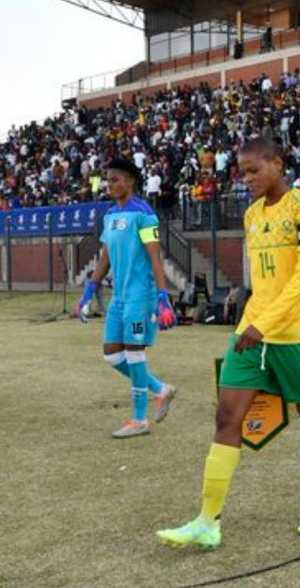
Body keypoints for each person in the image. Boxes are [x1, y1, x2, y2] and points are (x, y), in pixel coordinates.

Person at [157, 138, 300, 549]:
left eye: (254, 170)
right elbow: (262, 280)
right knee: (226, 417)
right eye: (242, 172)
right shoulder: (252, 214)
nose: (247, 179)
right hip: (253, 333)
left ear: (278, 163)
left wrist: (267, 323)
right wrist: (248, 322)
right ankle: (208, 520)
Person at [77, 158, 177, 439]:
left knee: (134, 353)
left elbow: (155, 256)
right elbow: (105, 257)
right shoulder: (110, 216)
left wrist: (162, 295)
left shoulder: (144, 214)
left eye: (116, 179)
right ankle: (160, 389)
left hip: (140, 295)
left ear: (131, 181)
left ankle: (139, 420)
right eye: (108, 180)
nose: (111, 185)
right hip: (119, 296)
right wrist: (88, 290)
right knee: (112, 355)